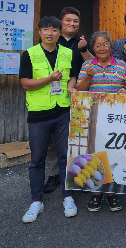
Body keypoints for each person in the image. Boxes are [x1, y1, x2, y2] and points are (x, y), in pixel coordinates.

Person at [19, 16, 78, 223]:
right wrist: (50, 79)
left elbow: (74, 74)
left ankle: (68, 196)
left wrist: (71, 85)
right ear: (39, 32)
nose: (50, 33)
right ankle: (36, 201)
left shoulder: (68, 53)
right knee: (37, 160)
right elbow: (26, 83)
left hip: (62, 112)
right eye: (46, 29)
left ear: (60, 33)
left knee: (64, 156)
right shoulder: (29, 54)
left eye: (54, 30)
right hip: (38, 114)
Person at [76, 31, 126, 212]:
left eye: (105, 44)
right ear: (93, 48)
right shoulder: (87, 65)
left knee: (113, 154)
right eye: (98, 45)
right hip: (94, 118)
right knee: (94, 154)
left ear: (111, 46)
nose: (102, 48)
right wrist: (88, 76)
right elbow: (79, 90)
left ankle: (111, 193)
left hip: (115, 119)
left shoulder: (121, 65)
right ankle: (96, 193)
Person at [43, 7, 95, 195]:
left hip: (79, 94)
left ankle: (79, 173)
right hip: (53, 95)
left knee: (81, 135)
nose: (72, 24)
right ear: (61, 21)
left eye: (76, 21)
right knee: (53, 138)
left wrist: (84, 50)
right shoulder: (50, 41)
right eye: (68, 21)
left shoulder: (82, 42)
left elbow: (92, 64)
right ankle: (54, 174)